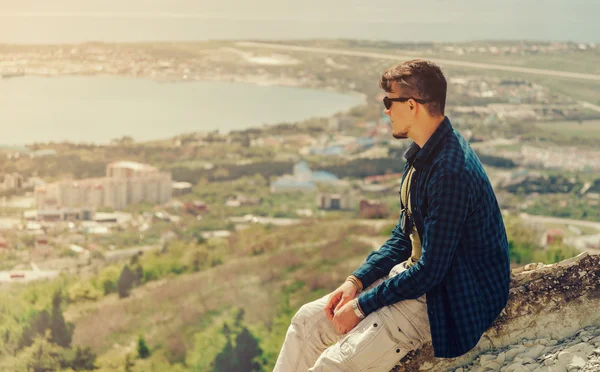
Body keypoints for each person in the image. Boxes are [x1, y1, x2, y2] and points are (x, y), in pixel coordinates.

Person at [273, 59, 511, 372]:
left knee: (331, 366)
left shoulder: (450, 171)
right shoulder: (423, 155)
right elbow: (403, 236)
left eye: (390, 102)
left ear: (412, 105)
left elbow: (432, 271)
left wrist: (360, 308)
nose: (386, 110)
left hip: (444, 298)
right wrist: (355, 282)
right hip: (414, 279)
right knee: (306, 322)